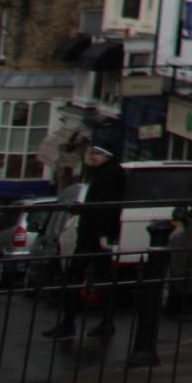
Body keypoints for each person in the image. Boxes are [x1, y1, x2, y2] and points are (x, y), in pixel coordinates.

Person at [44, 130, 126, 342]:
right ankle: (103, 323)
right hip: (95, 235)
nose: (93, 156)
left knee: (75, 276)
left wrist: (103, 234)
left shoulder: (109, 174)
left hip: (94, 236)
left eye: (97, 153)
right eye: (93, 152)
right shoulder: (108, 172)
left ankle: (70, 323)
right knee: (102, 279)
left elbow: (107, 208)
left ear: (107, 155)